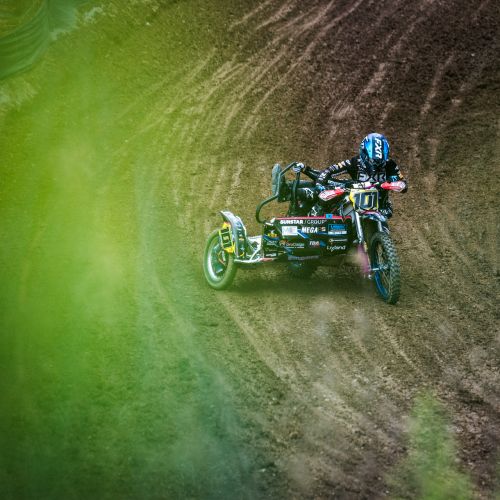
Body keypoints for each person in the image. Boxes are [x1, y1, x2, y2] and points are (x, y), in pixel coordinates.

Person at [273, 133, 407, 217]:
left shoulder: (390, 165)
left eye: (380, 161)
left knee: (338, 186)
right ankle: (288, 190)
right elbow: (329, 171)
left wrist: (394, 182)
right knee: (329, 186)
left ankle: (291, 190)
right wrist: (319, 184)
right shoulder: (355, 162)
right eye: (372, 161)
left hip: (381, 206)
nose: (376, 165)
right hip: (355, 196)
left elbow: (404, 185)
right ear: (364, 154)